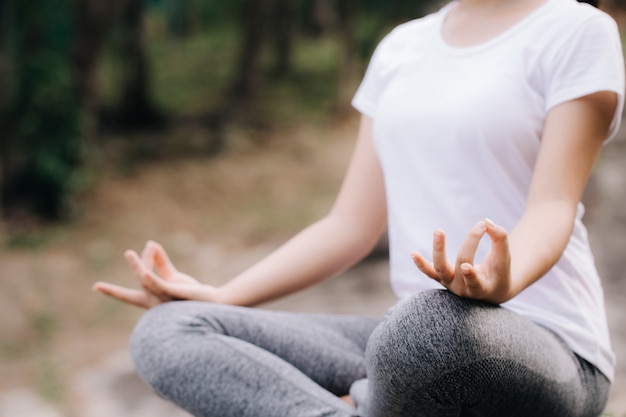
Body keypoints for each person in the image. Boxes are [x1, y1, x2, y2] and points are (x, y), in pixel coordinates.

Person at [93, 0, 625, 415]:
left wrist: (498, 282)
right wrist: (225, 296)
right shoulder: (401, 48)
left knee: (428, 325)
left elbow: (554, 203)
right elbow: (351, 224)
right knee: (170, 330)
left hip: (549, 348)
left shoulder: (577, 31)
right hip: (407, 348)